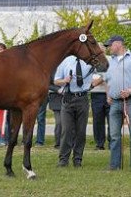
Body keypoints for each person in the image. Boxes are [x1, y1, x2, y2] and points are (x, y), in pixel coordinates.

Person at [54, 55, 100, 167]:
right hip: (68, 98)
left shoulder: (90, 60)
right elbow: (56, 81)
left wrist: (92, 85)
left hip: (82, 98)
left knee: (81, 131)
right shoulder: (65, 60)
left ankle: (77, 159)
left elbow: (104, 74)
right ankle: (63, 160)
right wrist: (65, 80)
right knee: (66, 131)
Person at [103, 35, 131, 170]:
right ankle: (114, 166)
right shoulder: (110, 61)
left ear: (118, 44)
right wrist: (108, 95)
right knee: (114, 136)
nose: (108, 48)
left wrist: (130, 91)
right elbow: (107, 80)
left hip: (129, 102)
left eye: (110, 45)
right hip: (114, 103)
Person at [91, 43, 110, 150]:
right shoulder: (92, 62)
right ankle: (99, 144)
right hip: (96, 95)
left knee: (111, 119)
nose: (100, 51)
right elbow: (89, 78)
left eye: (101, 49)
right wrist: (102, 79)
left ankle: (112, 142)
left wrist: (100, 79)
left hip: (110, 94)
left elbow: (111, 76)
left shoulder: (110, 60)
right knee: (98, 121)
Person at [48, 72, 63, 149]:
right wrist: (58, 90)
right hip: (56, 100)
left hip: (69, 99)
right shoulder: (53, 70)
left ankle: (68, 142)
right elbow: (48, 84)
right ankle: (58, 143)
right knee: (59, 122)